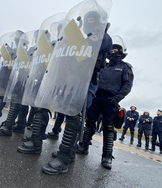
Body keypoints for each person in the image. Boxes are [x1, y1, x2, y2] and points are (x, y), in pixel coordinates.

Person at [41, 11, 113, 174]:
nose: (89, 22)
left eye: (93, 20)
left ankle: (63, 158)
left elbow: (105, 44)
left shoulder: (103, 37)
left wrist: (100, 30)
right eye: (88, 20)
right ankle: (70, 151)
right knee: (69, 113)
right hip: (74, 80)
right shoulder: (82, 39)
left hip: (88, 82)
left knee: (75, 116)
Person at [75, 35, 134, 171]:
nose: (112, 51)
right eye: (111, 49)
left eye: (115, 50)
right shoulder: (104, 66)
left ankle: (106, 156)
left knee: (108, 128)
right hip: (96, 97)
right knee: (90, 123)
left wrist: (117, 98)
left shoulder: (125, 67)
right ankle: (83, 146)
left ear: (121, 52)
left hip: (110, 100)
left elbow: (127, 85)